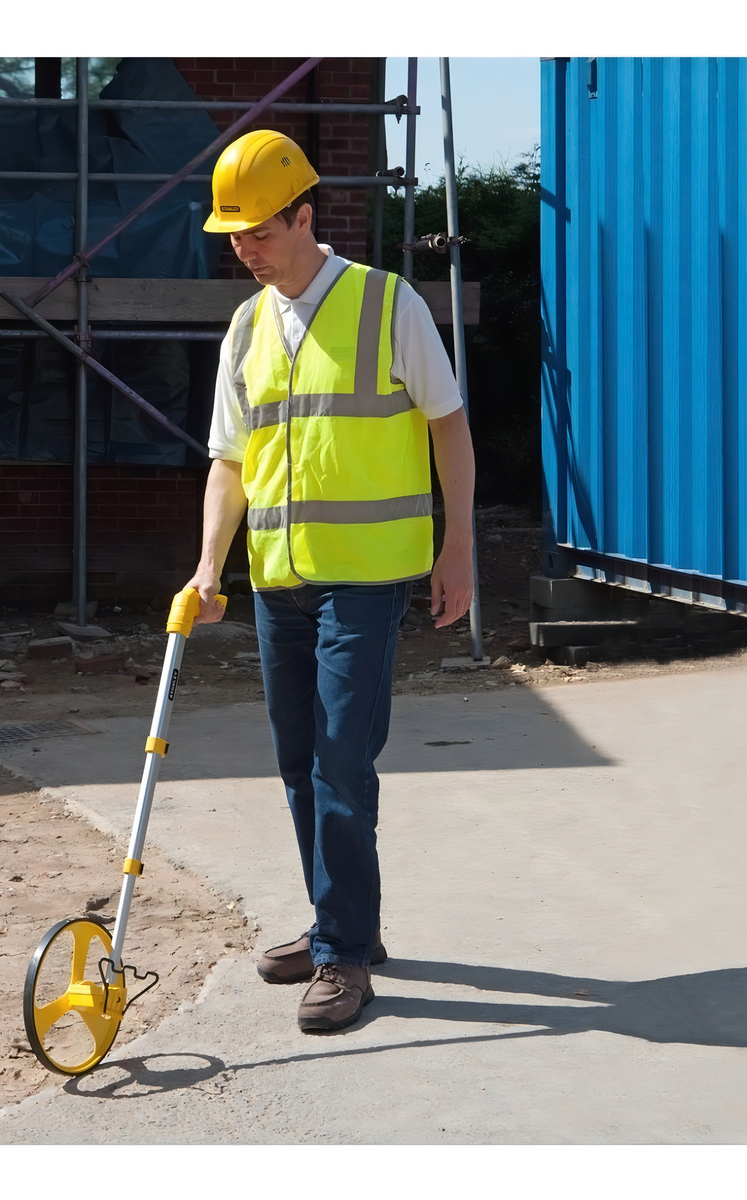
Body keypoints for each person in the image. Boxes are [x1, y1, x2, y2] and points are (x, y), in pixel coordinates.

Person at [183, 129, 475, 1033]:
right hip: (279, 581)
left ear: (306, 216)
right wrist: (209, 567)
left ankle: (345, 953)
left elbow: (448, 425)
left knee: (343, 760)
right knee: (298, 762)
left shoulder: (389, 305)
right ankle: (336, 925)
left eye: (260, 231)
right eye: (233, 235)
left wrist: (459, 547)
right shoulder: (246, 327)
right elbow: (229, 461)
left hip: (369, 578)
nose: (245, 249)